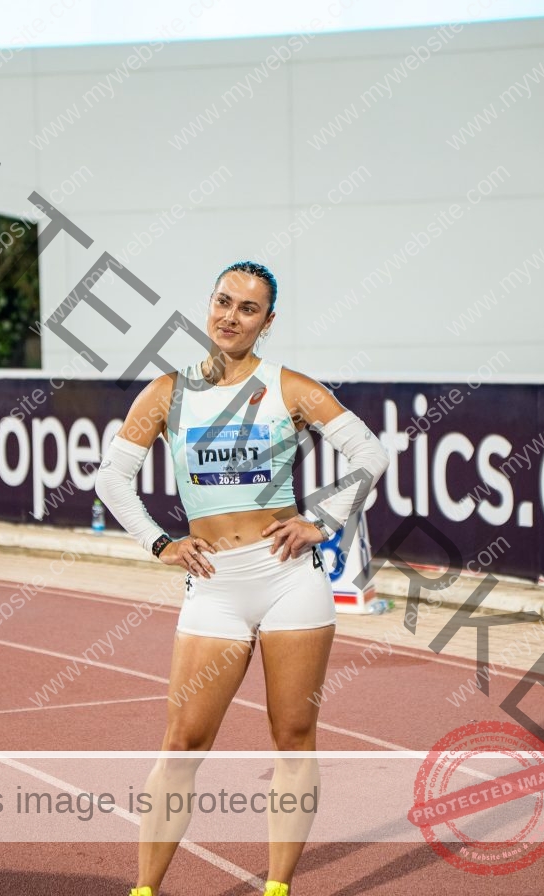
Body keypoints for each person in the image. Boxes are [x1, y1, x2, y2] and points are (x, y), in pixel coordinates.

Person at [94, 260, 390, 896]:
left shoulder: (291, 388)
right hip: (215, 585)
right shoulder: (168, 392)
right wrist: (159, 542)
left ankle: (278, 887)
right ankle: (145, 889)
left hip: (290, 582)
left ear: (268, 321)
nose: (231, 316)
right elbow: (111, 478)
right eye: (223, 302)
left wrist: (324, 520)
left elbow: (369, 452)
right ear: (209, 306)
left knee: (293, 737)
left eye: (248, 309)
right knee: (182, 742)